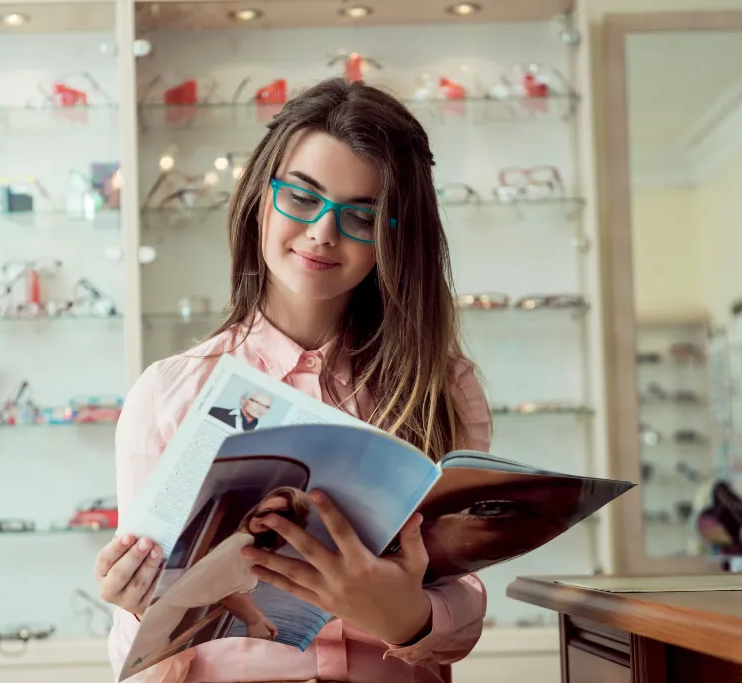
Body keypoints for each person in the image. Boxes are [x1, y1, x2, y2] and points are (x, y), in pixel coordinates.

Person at [95, 77, 492, 683]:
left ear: (395, 236)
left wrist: (407, 615)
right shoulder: (168, 393)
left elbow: (461, 595)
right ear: (260, 196)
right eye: (302, 199)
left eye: (362, 215)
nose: (324, 232)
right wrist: (138, 610)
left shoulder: (442, 387)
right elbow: (141, 662)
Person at [125, 487, 313, 673]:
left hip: (165, 617)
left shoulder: (245, 543)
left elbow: (223, 584)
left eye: (281, 513)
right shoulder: (242, 543)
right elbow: (222, 588)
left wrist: (256, 617)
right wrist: (254, 619)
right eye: (263, 512)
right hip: (161, 619)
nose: (267, 518)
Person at [208, 391, 273, 431]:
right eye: (257, 403)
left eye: (266, 407)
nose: (261, 409)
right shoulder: (215, 412)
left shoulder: (263, 433)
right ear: (243, 400)